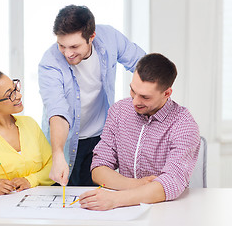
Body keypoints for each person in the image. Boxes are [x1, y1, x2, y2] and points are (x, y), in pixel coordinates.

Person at [38, 5, 145, 186]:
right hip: (64, 141)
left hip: (99, 138)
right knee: (61, 198)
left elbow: (142, 64)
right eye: (61, 45)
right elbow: (58, 111)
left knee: (93, 201)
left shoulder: (110, 38)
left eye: (74, 46)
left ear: (91, 37)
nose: (67, 53)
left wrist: (139, 95)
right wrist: (57, 154)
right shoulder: (49, 63)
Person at [78, 53, 200, 210]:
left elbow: (172, 182)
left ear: (167, 93)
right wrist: (135, 185)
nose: (135, 101)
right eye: (132, 90)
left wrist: (115, 199)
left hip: (165, 209)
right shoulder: (119, 111)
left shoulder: (184, 124)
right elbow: (99, 168)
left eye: (145, 97)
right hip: (122, 208)